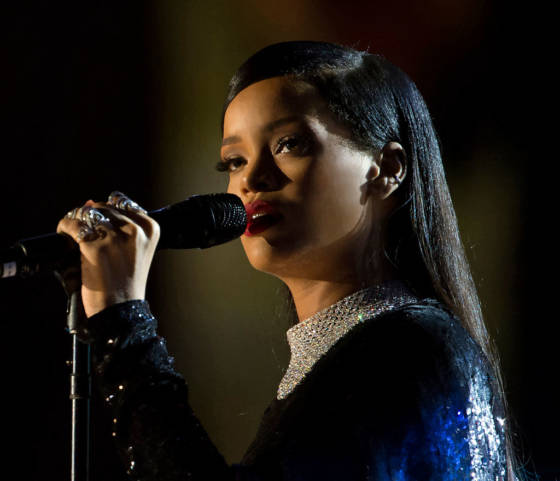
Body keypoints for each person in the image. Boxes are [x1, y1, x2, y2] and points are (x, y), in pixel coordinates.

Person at [57, 41, 518, 480]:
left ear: (387, 169)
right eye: (234, 161)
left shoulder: (409, 349)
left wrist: (126, 329)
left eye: (289, 144)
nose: (252, 180)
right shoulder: (357, 353)